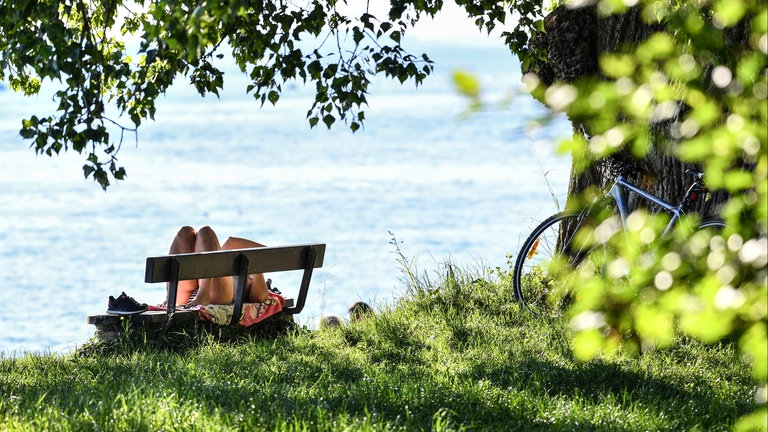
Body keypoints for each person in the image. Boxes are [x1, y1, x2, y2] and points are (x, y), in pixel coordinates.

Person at [166, 226, 270, 306]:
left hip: (207, 294)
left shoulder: (253, 277)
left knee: (204, 232)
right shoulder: (249, 271)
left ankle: (197, 294)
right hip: (192, 292)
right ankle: (198, 294)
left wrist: (257, 265)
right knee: (186, 232)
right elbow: (261, 296)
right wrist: (257, 261)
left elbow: (260, 297)